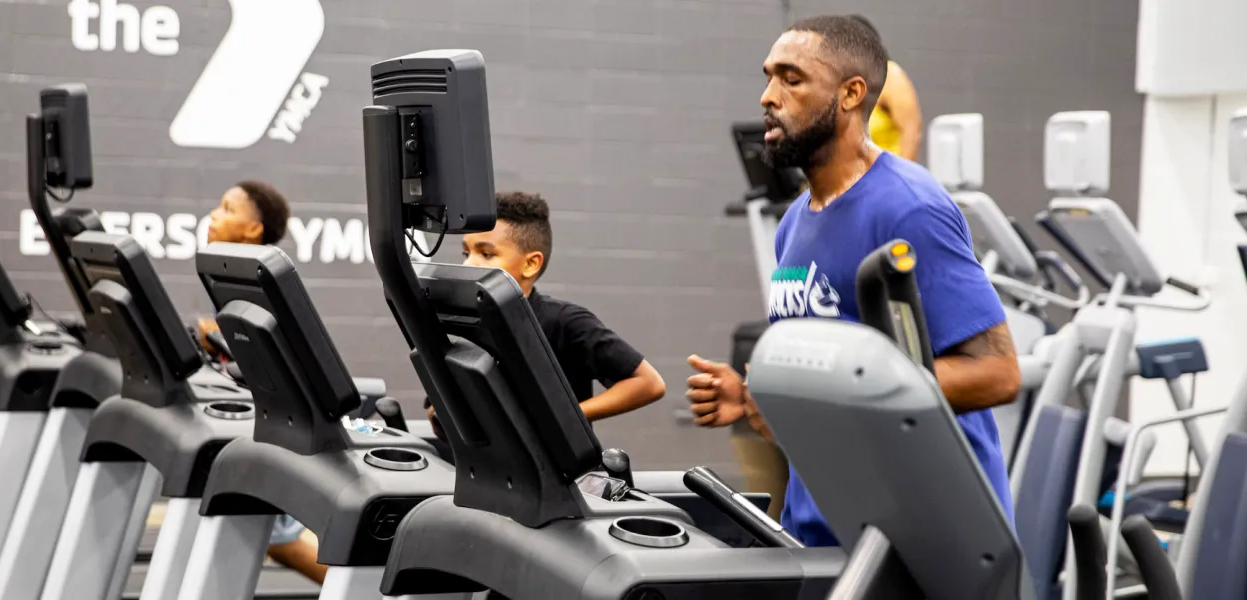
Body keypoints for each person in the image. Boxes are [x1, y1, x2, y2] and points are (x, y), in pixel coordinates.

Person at [685, 15, 1020, 548]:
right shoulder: (795, 222)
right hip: (824, 529)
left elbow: (997, 373)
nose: (768, 96)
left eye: (792, 79)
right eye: (769, 78)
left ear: (850, 94)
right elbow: (824, 383)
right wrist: (757, 398)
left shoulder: (909, 207)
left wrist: (831, 399)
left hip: (920, 542)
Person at [434, 191, 666, 428]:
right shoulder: (462, 322)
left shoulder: (566, 321)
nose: (468, 263)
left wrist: (561, 419)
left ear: (530, 264)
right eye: (466, 253)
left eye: (486, 254)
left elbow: (649, 383)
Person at [195, 180, 328, 583]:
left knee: (279, 536)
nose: (214, 215)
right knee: (269, 533)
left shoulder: (260, 278)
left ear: (254, 229)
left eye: (227, 209)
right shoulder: (229, 272)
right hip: (258, 415)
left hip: (283, 420)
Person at [849, 15, 922, 162]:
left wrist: (901, 173)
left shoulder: (890, 76)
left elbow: (911, 132)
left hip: (889, 170)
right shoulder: (849, 82)